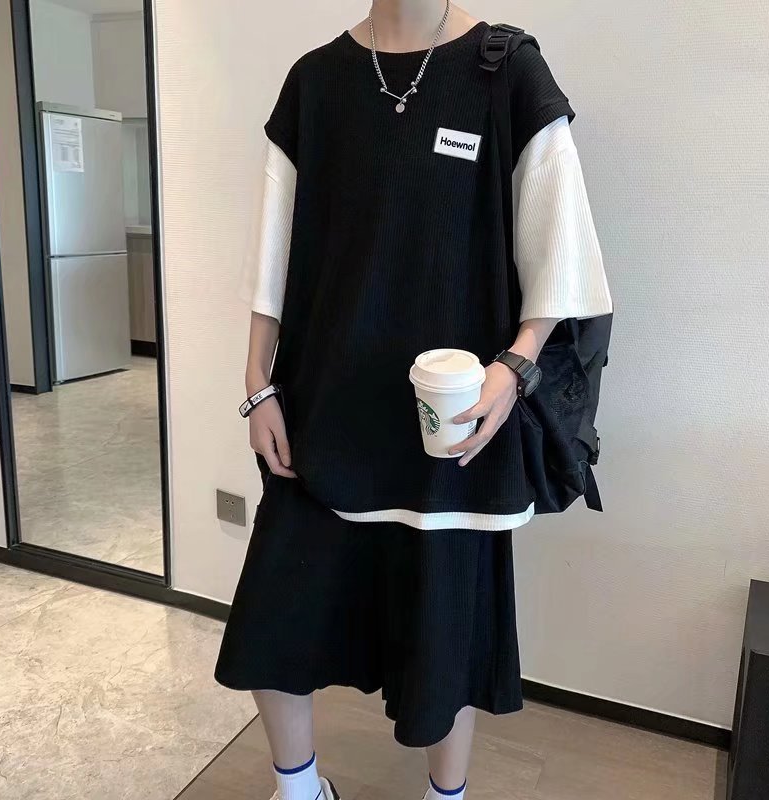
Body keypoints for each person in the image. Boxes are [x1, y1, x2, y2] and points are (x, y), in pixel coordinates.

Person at [214, 2, 612, 799]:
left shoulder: (508, 72)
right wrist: (257, 384)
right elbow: (271, 254)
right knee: (272, 624)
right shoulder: (315, 84)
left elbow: (561, 249)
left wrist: (514, 367)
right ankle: (300, 790)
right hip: (326, 415)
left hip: (451, 429)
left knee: (442, 644)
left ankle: (445, 796)